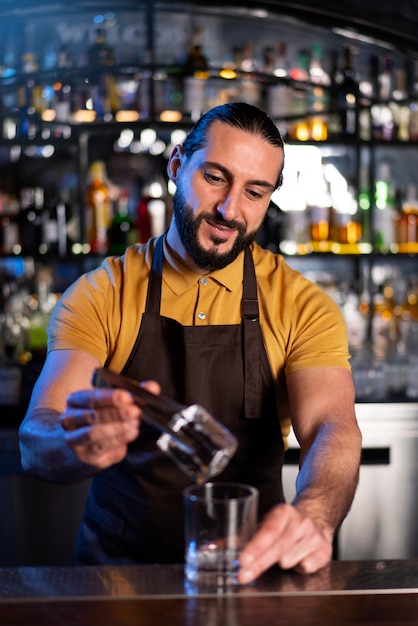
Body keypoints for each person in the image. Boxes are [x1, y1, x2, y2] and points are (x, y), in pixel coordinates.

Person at [19, 102, 362, 584]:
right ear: (177, 165)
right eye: (216, 178)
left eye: (254, 192)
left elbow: (333, 427)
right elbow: (38, 435)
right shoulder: (105, 292)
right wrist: (73, 445)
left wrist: (316, 514)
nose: (230, 210)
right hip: (117, 577)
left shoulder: (302, 305)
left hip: (250, 570)